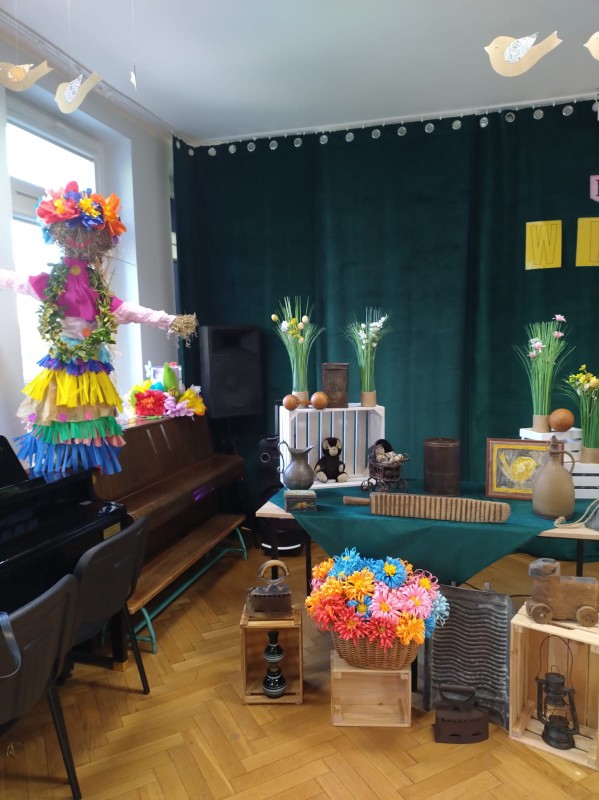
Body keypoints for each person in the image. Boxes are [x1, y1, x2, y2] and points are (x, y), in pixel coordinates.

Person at [0, 181, 196, 475]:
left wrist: (168, 320)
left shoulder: (97, 292)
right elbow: (16, 280)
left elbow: (129, 310)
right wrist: (168, 320)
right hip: (65, 368)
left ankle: (85, 478)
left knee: (90, 427)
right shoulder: (51, 283)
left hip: (91, 368)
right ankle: (64, 478)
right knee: (61, 423)